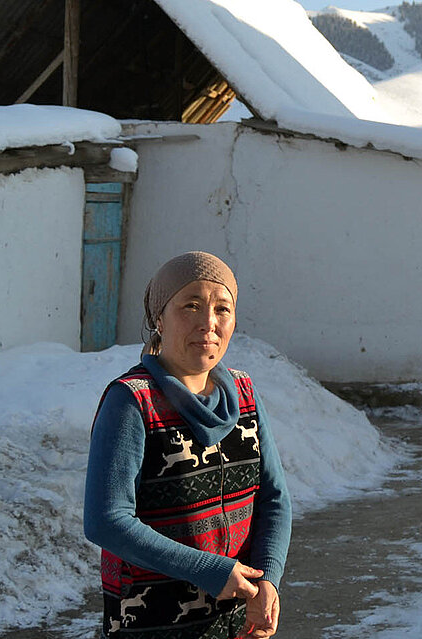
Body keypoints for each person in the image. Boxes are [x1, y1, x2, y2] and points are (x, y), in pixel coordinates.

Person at [84, 251, 291, 638]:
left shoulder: (244, 393)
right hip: (153, 621)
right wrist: (211, 570)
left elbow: (274, 498)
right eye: (190, 305)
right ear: (158, 319)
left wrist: (269, 581)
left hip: (237, 621)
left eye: (222, 309)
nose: (208, 324)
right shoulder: (132, 402)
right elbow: (106, 521)